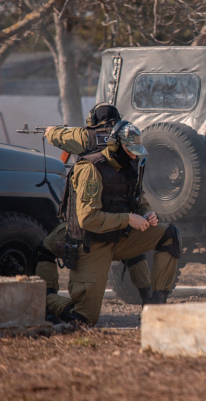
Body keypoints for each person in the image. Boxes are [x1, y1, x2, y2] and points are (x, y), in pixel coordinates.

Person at [46, 121, 180, 326]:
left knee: (169, 233)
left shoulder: (130, 166)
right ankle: (43, 299)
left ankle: (155, 309)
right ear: (115, 145)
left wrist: (147, 213)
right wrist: (128, 219)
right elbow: (88, 218)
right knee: (84, 319)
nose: (134, 156)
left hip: (119, 238)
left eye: (136, 152)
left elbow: (139, 199)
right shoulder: (91, 168)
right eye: (130, 151)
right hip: (91, 244)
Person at [34, 104, 153, 309]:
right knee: (134, 254)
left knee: (44, 250)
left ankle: (49, 301)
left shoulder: (85, 136)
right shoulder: (129, 141)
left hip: (89, 225)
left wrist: (50, 130)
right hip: (122, 221)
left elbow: (57, 136)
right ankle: (149, 299)